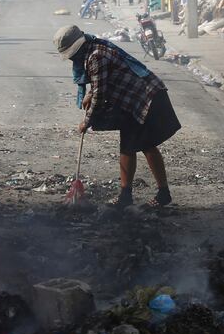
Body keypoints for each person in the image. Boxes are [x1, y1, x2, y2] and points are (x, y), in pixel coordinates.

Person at [54, 24, 180, 208]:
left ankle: (163, 193)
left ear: (78, 47)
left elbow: (100, 95)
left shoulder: (96, 56)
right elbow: (100, 82)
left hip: (146, 97)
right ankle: (125, 195)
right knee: (128, 146)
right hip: (130, 101)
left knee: (147, 144)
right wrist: (89, 94)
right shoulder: (92, 50)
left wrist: (86, 122)